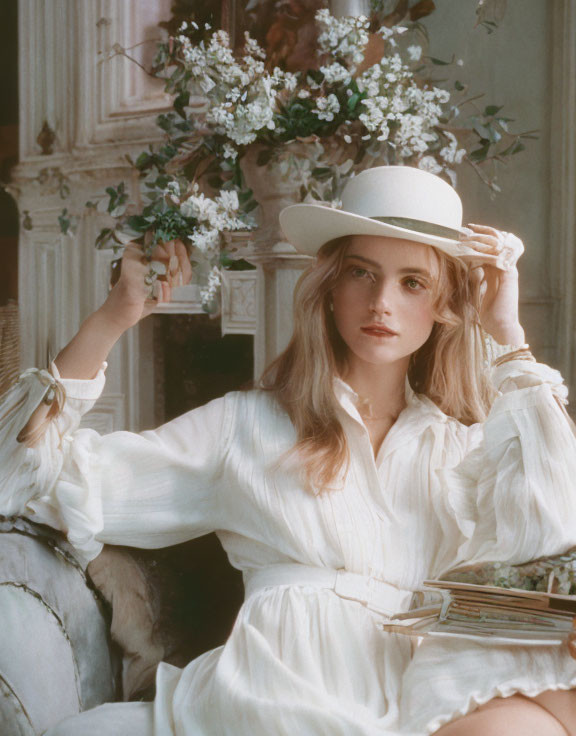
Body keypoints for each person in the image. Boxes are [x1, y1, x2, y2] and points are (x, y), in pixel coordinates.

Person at [2, 165, 576, 735]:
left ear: (445, 306)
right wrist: (113, 317)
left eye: (413, 283)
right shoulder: (247, 425)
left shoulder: (462, 449)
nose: (381, 302)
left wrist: (508, 337)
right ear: (329, 288)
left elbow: (555, 529)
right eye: (361, 273)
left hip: (418, 705)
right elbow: (30, 478)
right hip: (273, 697)